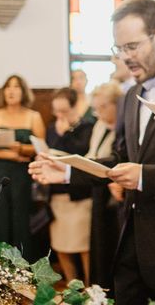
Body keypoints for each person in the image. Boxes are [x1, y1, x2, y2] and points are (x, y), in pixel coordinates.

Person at [29, 0, 155, 305]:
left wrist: (144, 177)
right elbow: (122, 159)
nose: (125, 57)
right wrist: (69, 170)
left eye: (132, 46)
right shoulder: (132, 94)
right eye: (119, 49)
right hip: (131, 244)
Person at [0, 75, 46, 262]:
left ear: (23, 91)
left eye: (16, 87)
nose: (11, 90)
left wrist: (22, 148)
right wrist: (13, 155)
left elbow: (40, 147)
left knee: (20, 218)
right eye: (8, 86)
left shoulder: (34, 116)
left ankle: (22, 265)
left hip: (22, 173)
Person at [46, 87, 95, 284]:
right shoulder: (52, 128)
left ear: (75, 107)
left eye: (64, 111)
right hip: (57, 195)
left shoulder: (88, 128)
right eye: (56, 111)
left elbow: (80, 155)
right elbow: (51, 150)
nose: (59, 116)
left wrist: (65, 134)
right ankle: (71, 285)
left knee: (83, 245)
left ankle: (92, 288)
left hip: (79, 194)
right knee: (61, 244)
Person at [87, 81, 123, 291]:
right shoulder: (100, 126)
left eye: (103, 107)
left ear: (116, 105)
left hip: (116, 194)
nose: (98, 113)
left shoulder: (124, 129)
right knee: (99, 244)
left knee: (112, 244)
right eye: (95, 108)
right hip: (99, 190)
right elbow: (93, 154)